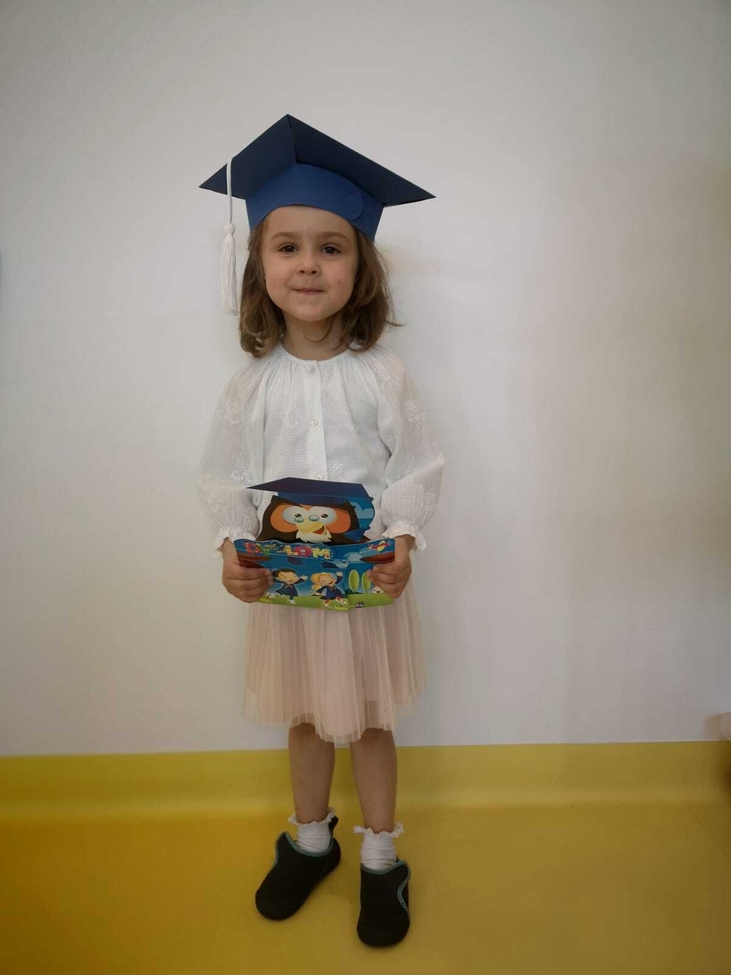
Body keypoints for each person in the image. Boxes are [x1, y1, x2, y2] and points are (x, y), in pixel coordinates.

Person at [197, 115, 444, 948]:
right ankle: (310, 840)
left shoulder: (382, 375)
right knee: (303, 718)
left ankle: (381, 855)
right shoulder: (251, 386)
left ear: (360, 268)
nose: (307, 264)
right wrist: (231, 547)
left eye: (330, 247)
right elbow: (223, 475)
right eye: (287, 246)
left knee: (369, 720)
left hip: (365, 585)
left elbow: (416, 464)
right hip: (287, 591)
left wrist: (402, 538)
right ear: (259, 266)